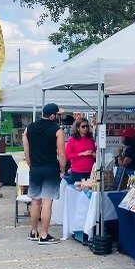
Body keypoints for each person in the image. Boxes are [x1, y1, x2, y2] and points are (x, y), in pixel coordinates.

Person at [23, 103, 67, 245]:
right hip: (50, 168)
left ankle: (34, 232)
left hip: (35, 168)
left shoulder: (28, 129)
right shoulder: (57, 130)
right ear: (52, 115)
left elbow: (26, 152)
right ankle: (44, 235)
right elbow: (61, 153)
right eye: (57, 114)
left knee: (35, 200)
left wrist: (31, 165)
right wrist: (62, 168)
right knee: (47, 201)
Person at [65, 117, 96, 183]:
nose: (85, 128)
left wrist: (93, 154)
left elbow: (96, 154)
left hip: (90, 171)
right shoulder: (72, 140)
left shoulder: (91, 139)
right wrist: (81, 154)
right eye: (83, 126)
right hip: (77, 172)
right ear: (78, 128)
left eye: (87, 126)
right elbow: (67, 156)